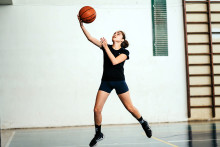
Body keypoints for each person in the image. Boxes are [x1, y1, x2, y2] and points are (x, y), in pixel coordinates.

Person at [77, 15, 152, 147]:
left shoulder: (125, 52)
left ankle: (143, 122)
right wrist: (82, 25)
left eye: (118, 34)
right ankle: (98, 133)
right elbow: (90, 38)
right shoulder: (106, 46)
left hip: (119, 82)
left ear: (122, 39)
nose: (115, 34)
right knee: (96, 110)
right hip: (106, 81)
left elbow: (114, 61)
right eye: (115, 33)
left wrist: (106, 47)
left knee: (130, 108)